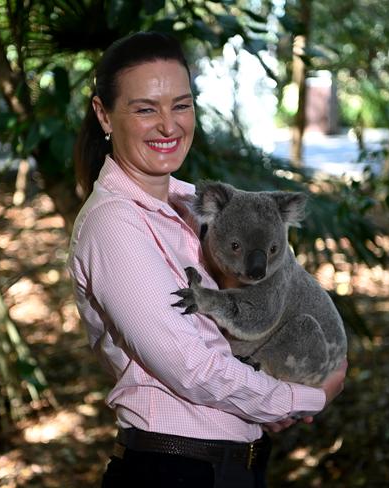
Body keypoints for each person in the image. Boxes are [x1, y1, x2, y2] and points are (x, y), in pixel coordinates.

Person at [67, 31, 347, 488]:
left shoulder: (197, 203)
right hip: (176, 468)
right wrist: (302, 397)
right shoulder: (114, 226)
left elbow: (276, 281)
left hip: (230, 463)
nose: (168, 125)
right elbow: (194, 368)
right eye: (145, 108)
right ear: (104, 114)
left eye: (181, 105)